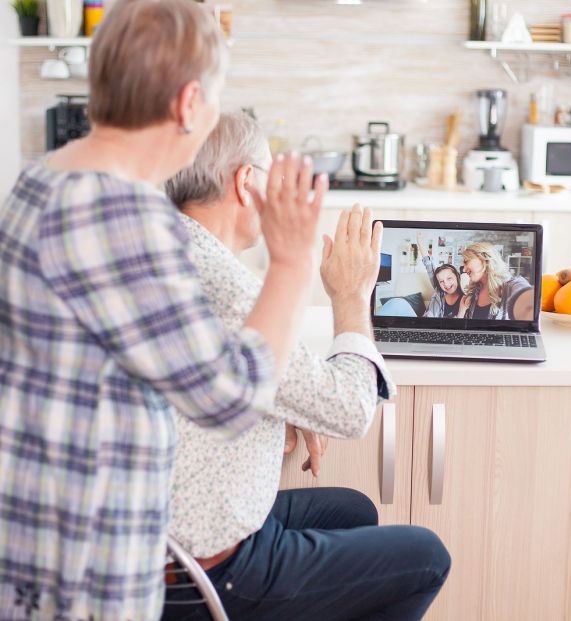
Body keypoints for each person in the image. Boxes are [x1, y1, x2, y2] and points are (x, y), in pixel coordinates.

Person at [0, 3, 327, 619]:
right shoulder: (125, 220)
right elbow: (230, 395)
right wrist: (292, 263)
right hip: (89, 570)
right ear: (188, 103)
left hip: (33, 540)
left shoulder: (41, 181)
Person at [161, 111, 451, 621]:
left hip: (171, 528)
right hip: (203, 571)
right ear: (246, 183)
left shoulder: (172, 249)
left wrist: (285, 402)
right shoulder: (228, 290)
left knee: (354, 512)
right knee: (427, 557)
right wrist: (351, 296)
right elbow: (350, 411)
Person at [457, 242, 534, 320]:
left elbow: (525, 294)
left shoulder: (510, 286)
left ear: (484, 259)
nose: (464, 269)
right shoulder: (474, 289)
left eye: (466, 262)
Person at [417, 233, 464, 318]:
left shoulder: (465, 298)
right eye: (441, 281)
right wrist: (420, 242)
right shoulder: (439, 291)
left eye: (449, 278)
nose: (446, 284)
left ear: (457, 276)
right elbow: (429, 265)